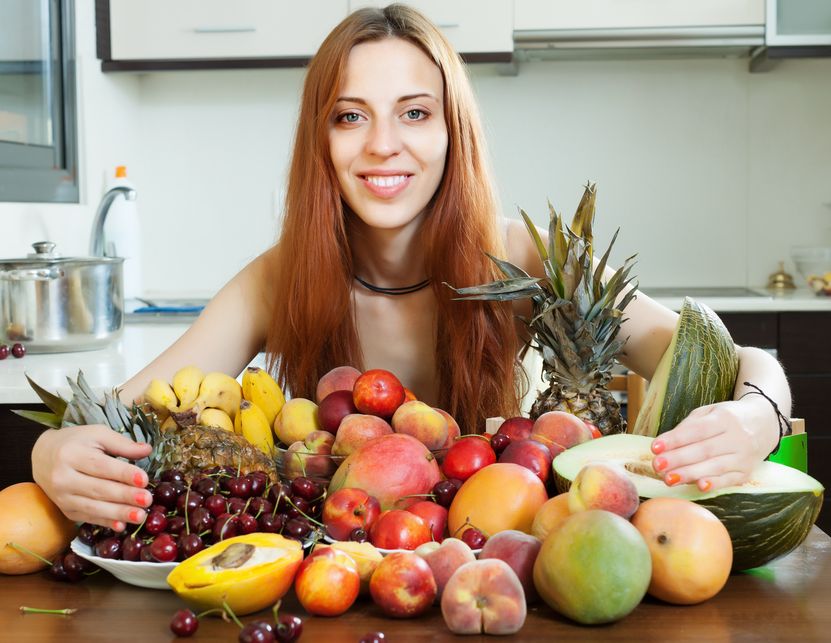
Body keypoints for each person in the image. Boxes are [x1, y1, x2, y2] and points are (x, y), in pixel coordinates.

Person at [30, 4, 790, 532]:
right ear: (320, 140)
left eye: (415, 112)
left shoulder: (526, 256)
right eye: (350, 115)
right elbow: (113, 417)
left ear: (451, 131)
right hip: (331, 573)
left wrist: (757, 414)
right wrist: (51, 447)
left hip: (506, 558)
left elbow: (731, 356)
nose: (382, 144)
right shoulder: (279, 275)